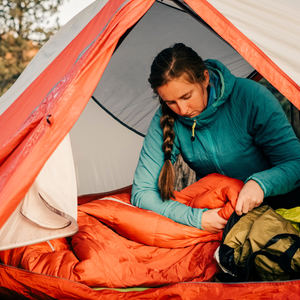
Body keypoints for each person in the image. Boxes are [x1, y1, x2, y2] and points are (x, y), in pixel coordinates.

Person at [130, 43, 300, 234]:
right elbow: (142, 193)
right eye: (171, 102)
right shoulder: (166, 118)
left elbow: (295, 163)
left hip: (281, 202)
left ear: (205, 78)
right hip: (221, 213)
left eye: (187, 96)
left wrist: (260, 184)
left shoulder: (251, 97)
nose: (182, 110)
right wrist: (198, 218)